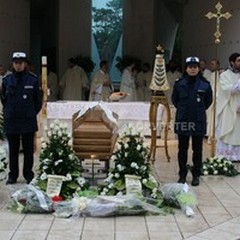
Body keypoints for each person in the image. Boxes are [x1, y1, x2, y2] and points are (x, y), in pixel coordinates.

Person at [1, 52, 42, 184]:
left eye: (21, 63)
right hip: (12, 120)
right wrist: (10, 111)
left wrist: (30, 113)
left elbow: (38, 101)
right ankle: (13, 175)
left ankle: (28, 175)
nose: (18, 65)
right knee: (13, 151)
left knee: (28, 150)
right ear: (13, 64)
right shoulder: (7, 80)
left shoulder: (33, 80)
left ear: (25, 64)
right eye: (16, 63)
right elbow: (3, 99)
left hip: (27, 120)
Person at [172, 56, 212, 186]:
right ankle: (182, 174)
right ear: (186, 69)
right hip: (183, 119)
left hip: (198, 120)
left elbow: (208, 101)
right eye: (190, 67)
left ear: (199, 69)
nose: (193, 69)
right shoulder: (179, 83)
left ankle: (196, 175)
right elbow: (175, 100)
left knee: (198, 149)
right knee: (182, 149)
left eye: (195, 67)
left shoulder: (205, 84)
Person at [216, 53, 240, 161]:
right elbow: (225, 89)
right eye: (239, 60)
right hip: (229, 107)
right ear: (232, 62)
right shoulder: (224, 75)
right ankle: (227, 155)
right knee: (229, 131)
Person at [206, 58, 220, 144]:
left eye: (213, 64)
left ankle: (214, 136)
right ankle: (210, 135)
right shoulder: (212, 74)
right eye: (211, 64)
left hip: (216, 99)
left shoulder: (219, 75)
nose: (212, 65)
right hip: (211, 98)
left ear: (218, 65)